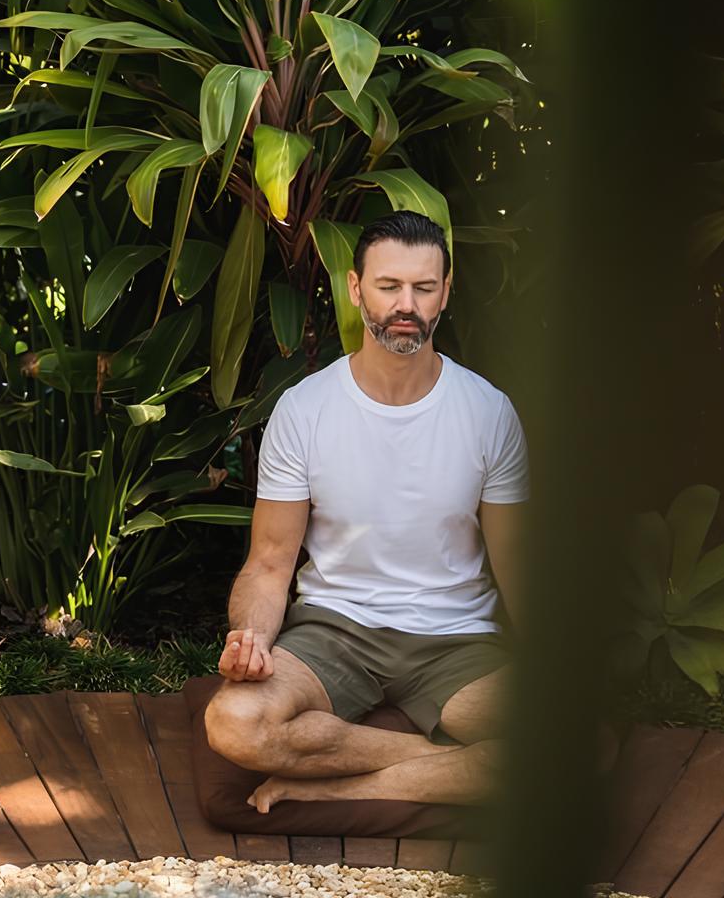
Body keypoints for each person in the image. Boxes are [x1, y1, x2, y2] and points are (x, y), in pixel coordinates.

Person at [204, 209, 527, 813]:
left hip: (457, 640)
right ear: (355, 289)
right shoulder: (305, 409)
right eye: (389, 286)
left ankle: (341, 788)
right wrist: (251, 640)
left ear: (445, 293)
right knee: (235, 723)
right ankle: (442, 763)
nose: (406, 305)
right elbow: (270, 563)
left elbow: (516, 563)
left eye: (423, 288)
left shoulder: (488, 412)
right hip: (336, 630)